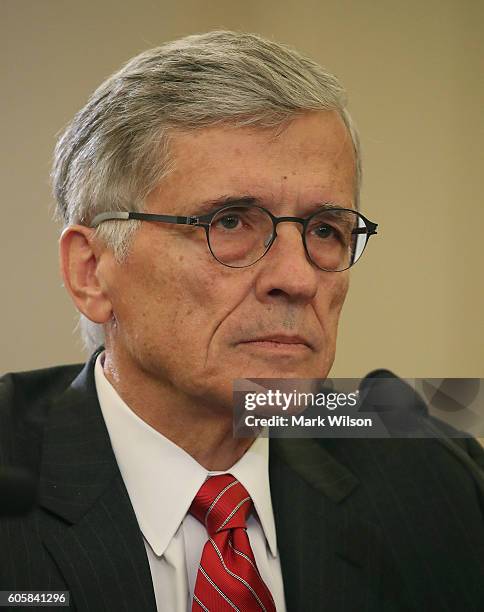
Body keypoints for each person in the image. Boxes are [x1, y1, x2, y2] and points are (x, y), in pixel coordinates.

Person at [1, 31, 483, 612]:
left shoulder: (433, 477)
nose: (298, 279)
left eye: (325, 230)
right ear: (92, 271)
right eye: (229, 223)